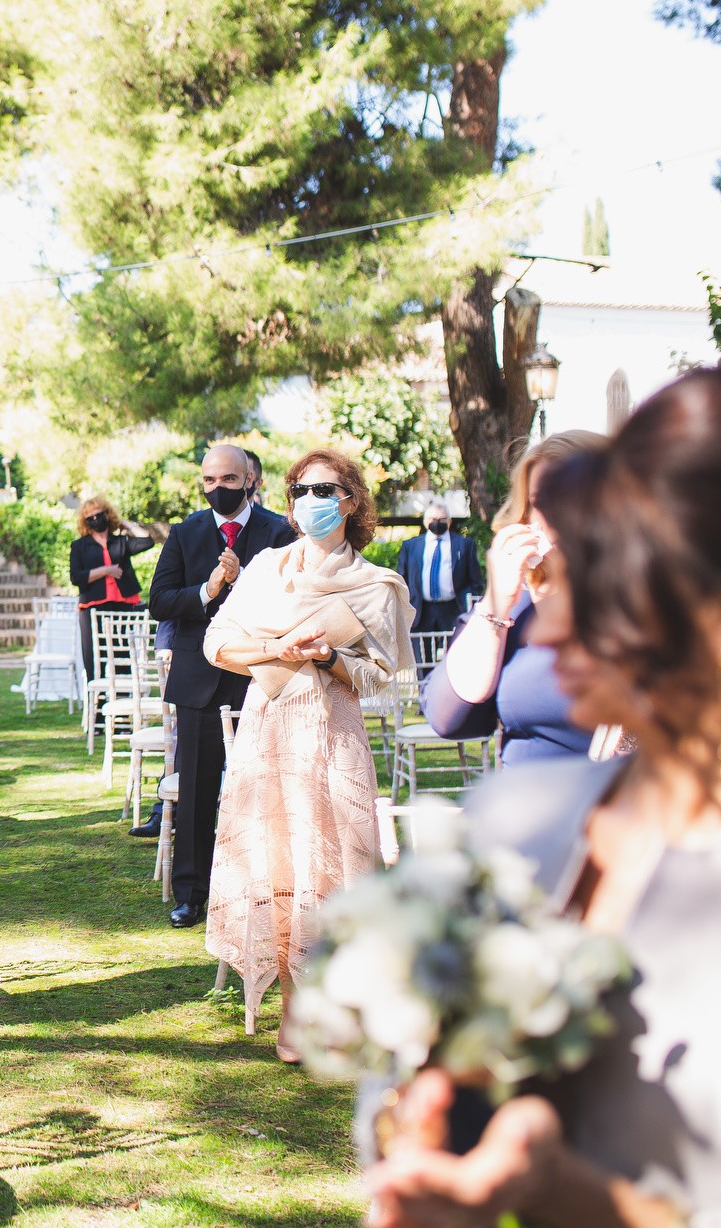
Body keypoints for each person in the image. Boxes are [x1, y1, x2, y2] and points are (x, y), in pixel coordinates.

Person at [364, 366, 721, 1228]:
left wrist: (569, 1194)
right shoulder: (509, 821)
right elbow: (407, 1099)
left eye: (605, 581)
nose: (559, 625)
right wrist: (416, 1140)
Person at [200, 449, 410, 1060]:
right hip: (268, 733)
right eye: (298, 489)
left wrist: (328, 659)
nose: (308, 500)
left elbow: (384, 677)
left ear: (350, 500)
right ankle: (294, 1008)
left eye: (323, 489)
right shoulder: (265, 570)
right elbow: (216, 641)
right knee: (280, 865)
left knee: (336, 867)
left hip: (333, 734)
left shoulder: (376, 586)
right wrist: (277, 651)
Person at [146, 443, 297, 928]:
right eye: (209, 481)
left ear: (249, 479)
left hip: (262, 677)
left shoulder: (278, 531)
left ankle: (266, 891)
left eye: (228, 480)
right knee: (194, 791)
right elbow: (161, 601)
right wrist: (209, 589)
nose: (218, 489)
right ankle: (191, 893)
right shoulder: (185, 533)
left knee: (266, 789)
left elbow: (295, 598)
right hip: (199, 683)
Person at [421, 431, 606, 766]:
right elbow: (447, 717)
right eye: (540, 501)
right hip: (527, 808)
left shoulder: (654, 601)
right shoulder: (516, 606)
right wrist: (495, 604)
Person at [68, 495, 154, 679]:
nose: (95, 520)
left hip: (123, 604)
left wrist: (126, 524)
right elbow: (76, 577)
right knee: (95, 655)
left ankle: (121, 700)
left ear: (107, 514)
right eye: (89, 518)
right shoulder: (79, 546)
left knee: (122, 652)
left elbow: (148, 541)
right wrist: (106, 570)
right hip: (93, 606)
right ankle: (98, 699)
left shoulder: (121, 542)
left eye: (98, 515)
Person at [394, 497, 482, 635]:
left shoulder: (464, 545)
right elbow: (401, 578)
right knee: (422, 654)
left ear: (449, 521)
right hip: (420, 610)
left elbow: (475, 580)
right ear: (425, 521)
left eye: (442, 519)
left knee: (454, 652)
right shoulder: (411, 546)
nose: (437, 522)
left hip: (454, 608)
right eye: (433, 519)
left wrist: (470, 606)